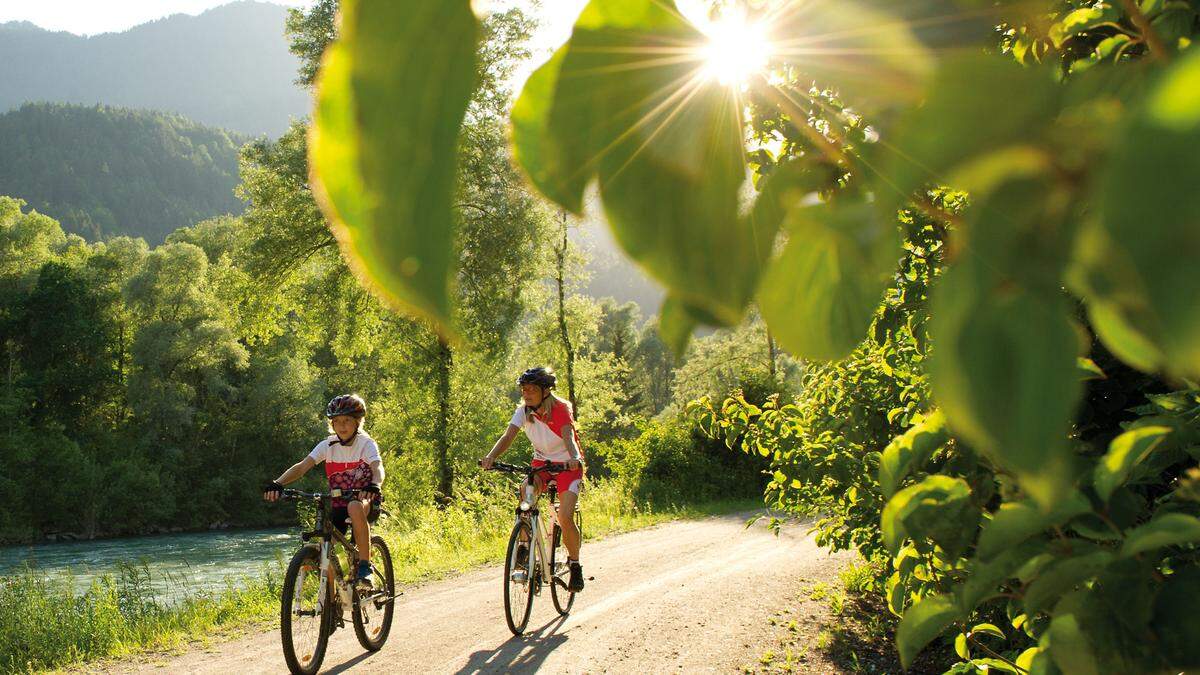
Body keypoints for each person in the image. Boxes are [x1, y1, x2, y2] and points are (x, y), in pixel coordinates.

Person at [481, 367, 586, 592]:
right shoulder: (523, 411)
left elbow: (568, 435)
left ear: (545, 391)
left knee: (565, 517)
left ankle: (575, 565)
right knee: (525, 498)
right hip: (541, 464)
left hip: (567, 465)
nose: (526, 394)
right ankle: (525, 547)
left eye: (531, 390)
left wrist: (575, 458)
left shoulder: (560, 409)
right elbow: (508, 436)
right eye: (523, 390)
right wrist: (491, 457)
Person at [263, 394, 384, 587]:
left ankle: (364, 566)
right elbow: (302, 467)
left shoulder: (366, 444)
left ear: (357, 423)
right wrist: (278, 483)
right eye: (337, 422)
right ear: (332, 425)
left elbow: (377, 467)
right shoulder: (327, 445)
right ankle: (334, 598)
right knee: (325, 547)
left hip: (364, 500)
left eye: (347, 421)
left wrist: (375, 485)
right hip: (338, 503)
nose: (342, 426)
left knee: (354, 506)